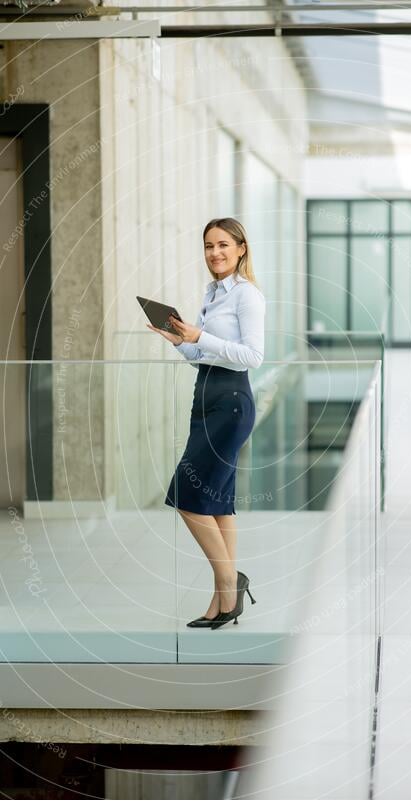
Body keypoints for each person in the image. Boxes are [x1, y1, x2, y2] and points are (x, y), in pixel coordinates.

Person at [147, 218, 265, 630]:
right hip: (206, 396)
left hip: (231, 402)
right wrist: (183, 343)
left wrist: (200, 335)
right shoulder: (212, 293)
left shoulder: (247, 296)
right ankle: (223, 601)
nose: (215, 253)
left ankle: (229, 581)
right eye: (209, 246)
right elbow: (206, 355)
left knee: (186, 491)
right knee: (218, 501)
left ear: (241, 249)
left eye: (223, 245)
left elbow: (252, 356)